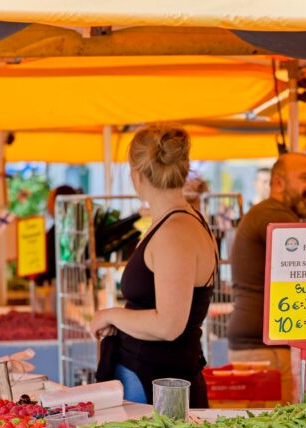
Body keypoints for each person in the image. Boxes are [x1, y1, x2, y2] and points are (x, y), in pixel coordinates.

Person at [91, 124, 217, 407]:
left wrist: (110, 315)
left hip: (158, 386)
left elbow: (168, 324)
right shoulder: (173, 223)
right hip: (153, 379)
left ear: (136, 174)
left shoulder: (176, 231)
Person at [227, 153, 306, 403]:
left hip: (257, 345)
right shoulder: (273, 214)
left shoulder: (269, 213)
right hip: (261, 349)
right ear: (278, 183)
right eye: (304, 177)